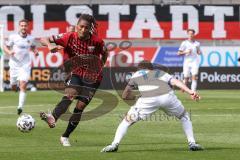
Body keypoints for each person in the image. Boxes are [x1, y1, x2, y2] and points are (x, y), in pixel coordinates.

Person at [101, 60, 203, 152]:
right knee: (184, 116)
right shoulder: (161, 73)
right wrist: (190, 92)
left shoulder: (136, 74)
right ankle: (192, 143)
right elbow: (176, 82)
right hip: (167, 97)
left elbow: (125, 95)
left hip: (148, 100)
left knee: (127, 121)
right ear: (151, 68)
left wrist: (137, 98)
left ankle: (114, 144)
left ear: (140, 68)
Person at [39, 14, 108, 146]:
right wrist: (49, 45)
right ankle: (53, 117)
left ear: (90, 29)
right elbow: (43, 39)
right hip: (76, 73)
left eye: (86, 28)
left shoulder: (97, 41)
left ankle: (65, 136)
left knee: (80, 107)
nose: (83, 30)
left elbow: (105, 52)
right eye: (81, 27)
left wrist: (101, 64)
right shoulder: (69, 36)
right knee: (70, 94)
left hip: (93, 77)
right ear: (77, 27)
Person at [3, 19, 38, 115]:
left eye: (25, 25)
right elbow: (5, 47)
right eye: (22, 25)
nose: (23, 27)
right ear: (19, 26)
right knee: (13, 86)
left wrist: (36, 51)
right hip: (14, 65)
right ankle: (15, 87)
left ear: (28, 27)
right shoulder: (13, 37)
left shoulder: (31, 38)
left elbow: (33, 46)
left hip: (25, 65)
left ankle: (20, 107)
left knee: (23, 84)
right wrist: (9, 52)